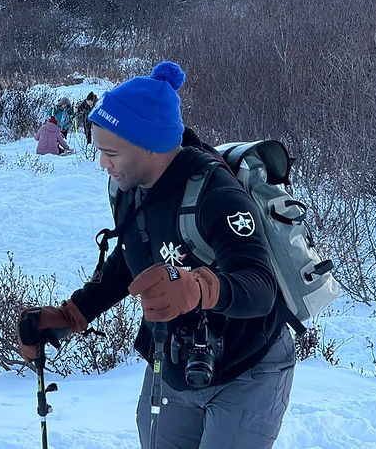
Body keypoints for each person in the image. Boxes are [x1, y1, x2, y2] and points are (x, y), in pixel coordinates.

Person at [17, 61, 293, 449]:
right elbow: (130, 258)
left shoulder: (218, 195)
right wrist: (72, 314)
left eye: (111, 152)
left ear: (151, 145)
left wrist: (200, 288)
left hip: (248, 366)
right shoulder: (132, 188)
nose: (103, 164)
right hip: (175, 360)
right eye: (99, 151)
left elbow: (260, 287)